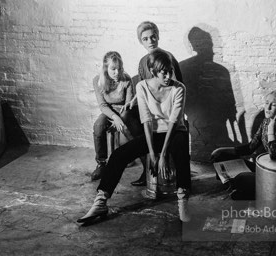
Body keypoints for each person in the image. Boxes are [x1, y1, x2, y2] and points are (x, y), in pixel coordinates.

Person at [78, 49, 191, 223]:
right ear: (153, 72)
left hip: (174, 131)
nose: (168, 76)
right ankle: (101, 201)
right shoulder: (142, 86)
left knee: (181, 150)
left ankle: (183, 199)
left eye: (170, 71)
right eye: (163, 72)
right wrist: (152, 154)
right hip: (153, 132)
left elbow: (174, 122)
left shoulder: (179, 88)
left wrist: (163, 156)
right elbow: (146, 120)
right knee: (119, 155)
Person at [211, 90, 276, 200]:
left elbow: (273, 155)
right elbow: (250, 147)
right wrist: (222, 150)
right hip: (262, 168)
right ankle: (241, 188)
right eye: (266, 103)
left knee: (241, 178)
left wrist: (271, 129)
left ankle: (245, 190)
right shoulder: (266, 121)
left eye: (273, 105)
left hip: (275, 176)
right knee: (220, 157)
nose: (268, 108)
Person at [131, 21, 184, 187]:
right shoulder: (142, 62)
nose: (150, 41)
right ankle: (148, 163)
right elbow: (144, 87)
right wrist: (131, 101)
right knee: (129, 117)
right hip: (151, 110)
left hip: (168, 109)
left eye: (153, 37)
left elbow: (176, 85)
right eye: (145, 39)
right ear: (141, 41)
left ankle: (163, 161)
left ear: (158, 36)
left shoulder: (167, 57)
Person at [91, 51, 142, 181]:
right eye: (113, 69)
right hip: (109, 111)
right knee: (98, 126)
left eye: (119, 68)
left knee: (136, 130)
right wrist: (115, 118)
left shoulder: (126, 79)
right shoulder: (98, 81)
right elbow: (103, 105)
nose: (117, 72)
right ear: (105, 68)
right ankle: (101, 163)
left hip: (126, 110)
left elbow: (128, 104)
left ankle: (145, 164)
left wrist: (122, 119)